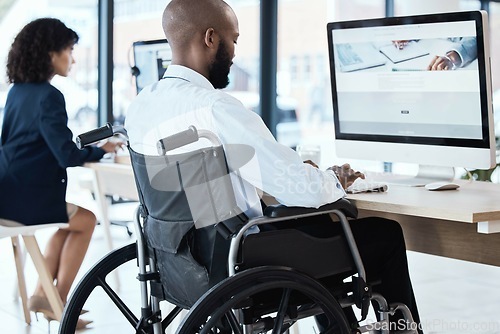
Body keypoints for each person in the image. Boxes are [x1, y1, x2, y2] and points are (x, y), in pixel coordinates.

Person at [125, 1, 423, 332]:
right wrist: (331, 179)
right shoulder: (215, 108)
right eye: (233, 39)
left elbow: (200, 190)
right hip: (241, 259)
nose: (235, 51)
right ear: (210, 38)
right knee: (383, 234)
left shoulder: (141, 108)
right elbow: (297, 187)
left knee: (318, 226)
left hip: (182, 259)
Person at [0, 18, 120, 328]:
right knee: (87, 220)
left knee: (70, 222)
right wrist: (101, 150)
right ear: (49, 53)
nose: (73, 58)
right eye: (69, 49)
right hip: (26, 198)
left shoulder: (18, 92)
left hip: (8, 191)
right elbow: (66, 155)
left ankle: (44, 294)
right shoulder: (49, 96)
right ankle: (60, 301)